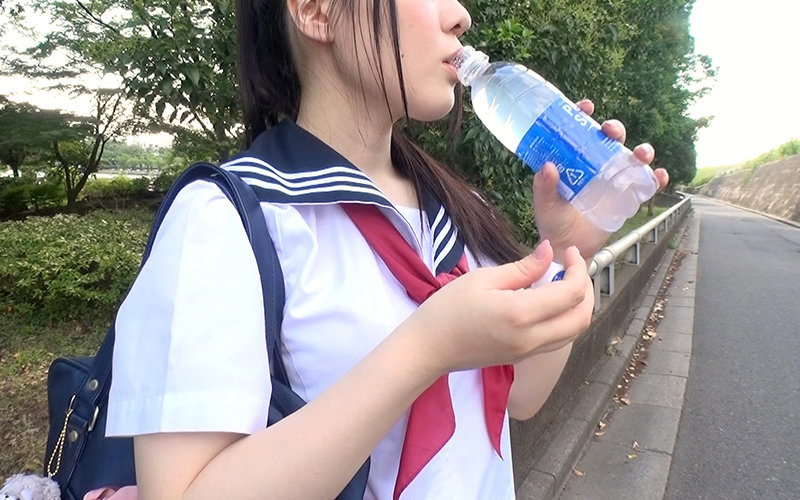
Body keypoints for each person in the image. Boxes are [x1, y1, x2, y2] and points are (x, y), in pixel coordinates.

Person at [106, 0, 669, 499]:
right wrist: (426, 348)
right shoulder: (223, 218)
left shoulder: (458, 207)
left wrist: (566, 247)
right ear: (317, 11)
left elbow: (518, 395)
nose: (460, 16)